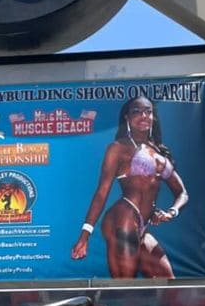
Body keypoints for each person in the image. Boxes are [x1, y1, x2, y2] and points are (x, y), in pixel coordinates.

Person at [71, 96, 188, 279]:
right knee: (126, 285)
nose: (144, 116)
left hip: (143, 227)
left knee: (169, 284)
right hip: (123, 217)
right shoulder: (118, 148)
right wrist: (85, 235)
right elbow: (102, 192)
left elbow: (182, 193)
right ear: (127, 117)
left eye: (148, 112)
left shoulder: (159, 154)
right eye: (137, 112)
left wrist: (171, 212)